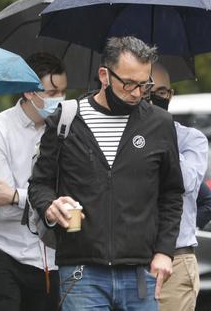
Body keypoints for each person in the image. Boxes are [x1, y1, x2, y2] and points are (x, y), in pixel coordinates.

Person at [29, 36, 184, 310]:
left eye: (144, 84)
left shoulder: (160, 124)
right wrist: (50, 208)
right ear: (104, 75)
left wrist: (164, 252)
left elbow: (171, 194)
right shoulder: (66, 121)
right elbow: (39, 185)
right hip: (82, 272)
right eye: (128, 84)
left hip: (141, 273)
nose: (137, 93)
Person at [0, 52, 67, 311]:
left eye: (63, 91)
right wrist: (42, 201)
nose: (59, 99)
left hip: (47, 255)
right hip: (1, 247)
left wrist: (16, 196)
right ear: (29, 91)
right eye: (51, 92)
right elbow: (1, 208)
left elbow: (69, 195)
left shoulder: (65, 130)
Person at [148, 63, 208, 311]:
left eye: (162, 92)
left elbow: (186, 182)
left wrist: (160, 131)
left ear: (170, 95)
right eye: (147, 90)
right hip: (127, 262)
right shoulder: (122, 137)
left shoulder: (190, 139)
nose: (154, 98)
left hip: (175, 259)